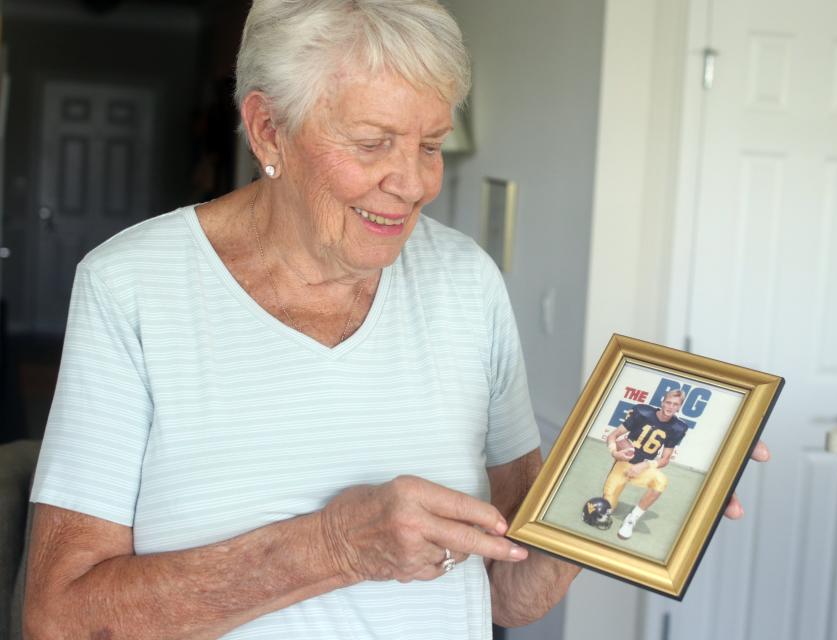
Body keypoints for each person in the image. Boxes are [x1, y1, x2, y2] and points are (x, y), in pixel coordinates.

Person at [22, 1, 766, 638]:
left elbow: (510, 591)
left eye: (431, 144)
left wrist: (593, 503)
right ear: (268, 130)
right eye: (374, 143)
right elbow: (61, 620)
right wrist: (336, 547)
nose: (413, 183)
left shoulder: (465, 280)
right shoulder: (132, 286)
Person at [602, 389, 688, 540]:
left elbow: (665, 459)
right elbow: (613, 436)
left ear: (679, 407)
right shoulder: (643, 413)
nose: (670, 407)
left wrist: (645, 465)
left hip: (643, 468)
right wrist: (615, 453)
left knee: (661, 481)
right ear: (662, 401)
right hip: (624, 464)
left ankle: (632, 518)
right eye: (668, 402)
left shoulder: (677, 428)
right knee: (607, 507)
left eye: (675, 404)